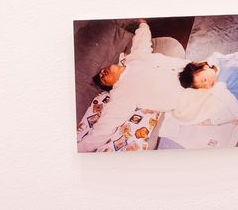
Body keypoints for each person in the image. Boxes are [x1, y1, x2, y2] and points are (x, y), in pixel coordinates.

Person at [77, 19, 187, 153]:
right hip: (182, 97)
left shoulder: (133, 59)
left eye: (101, 71)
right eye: (103, 79)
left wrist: (143, 24)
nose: (102, 73)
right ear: (111, 86)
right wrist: (80, 148)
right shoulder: (122, 92)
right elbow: (106, 125)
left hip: (186, 71)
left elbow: (141, 44)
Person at [179, 51, 238, 134]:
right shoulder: (217, 86)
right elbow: (230, 100)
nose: (207, 84)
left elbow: (231, 57)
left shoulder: (214, 59)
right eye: (204, 86)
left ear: (205, 67)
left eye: (204, 80)